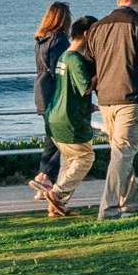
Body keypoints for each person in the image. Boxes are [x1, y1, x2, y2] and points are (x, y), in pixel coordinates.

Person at [88, 0, 138, 220]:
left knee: (120, 151)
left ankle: (131, 200)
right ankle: (108, 209)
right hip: (132, 97)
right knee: (122, 153)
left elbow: (90, 64)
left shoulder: (97, 27)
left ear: (120, 0)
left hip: (106, 98)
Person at [41, 15, 98, 217]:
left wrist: (87, 106)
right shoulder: (76, 59)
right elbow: (85, 87)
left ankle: (56, 207)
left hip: (56, 116)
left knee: (68, 162)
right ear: (87, 33)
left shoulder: (64, 56)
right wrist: (102, 72)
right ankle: (56, 194)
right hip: (70, 120)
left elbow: (69, 88)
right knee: (85, 157)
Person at [28, 1, 73, 199]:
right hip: (55, 93)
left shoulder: (41, 40)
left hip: (41, 90)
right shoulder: (60, 40)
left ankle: (44, 182)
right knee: (65, 140)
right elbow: (60, 70)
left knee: (52, 138)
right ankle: (44, 176)